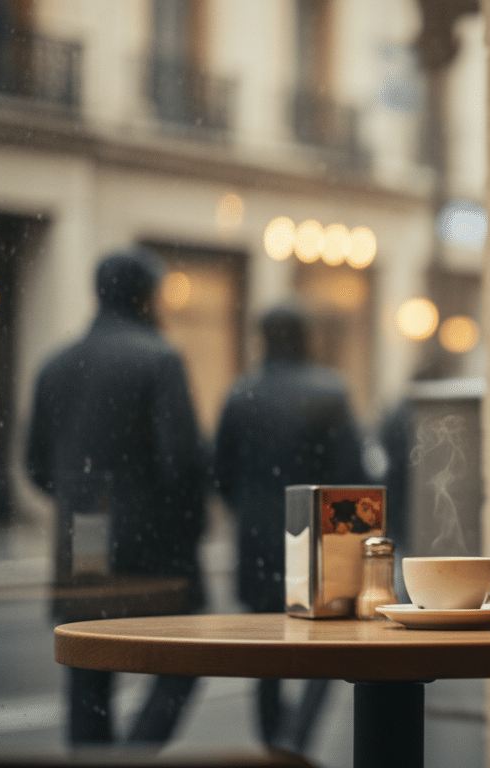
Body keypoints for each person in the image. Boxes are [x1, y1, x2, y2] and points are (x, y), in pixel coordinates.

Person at [25, 247, 206, 747]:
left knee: (89, 677)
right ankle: (131, 758)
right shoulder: (159, 359)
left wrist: (84, 503)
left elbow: (35, 466)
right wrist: (187, 528)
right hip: (150, 541)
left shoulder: (56, 364)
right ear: (146, 295)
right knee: (183, 661)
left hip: (84, 537)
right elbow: (182, 464)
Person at [213, 302, 367, 752]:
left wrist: (248, 510)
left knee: (267, 650)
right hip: (319, 535)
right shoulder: (330, 392)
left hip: (257, 538)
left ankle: (272, 744)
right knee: (331, 640)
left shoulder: (241, 392)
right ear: (305, 337)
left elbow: (220, 471)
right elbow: (351, 473)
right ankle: (297, 736)